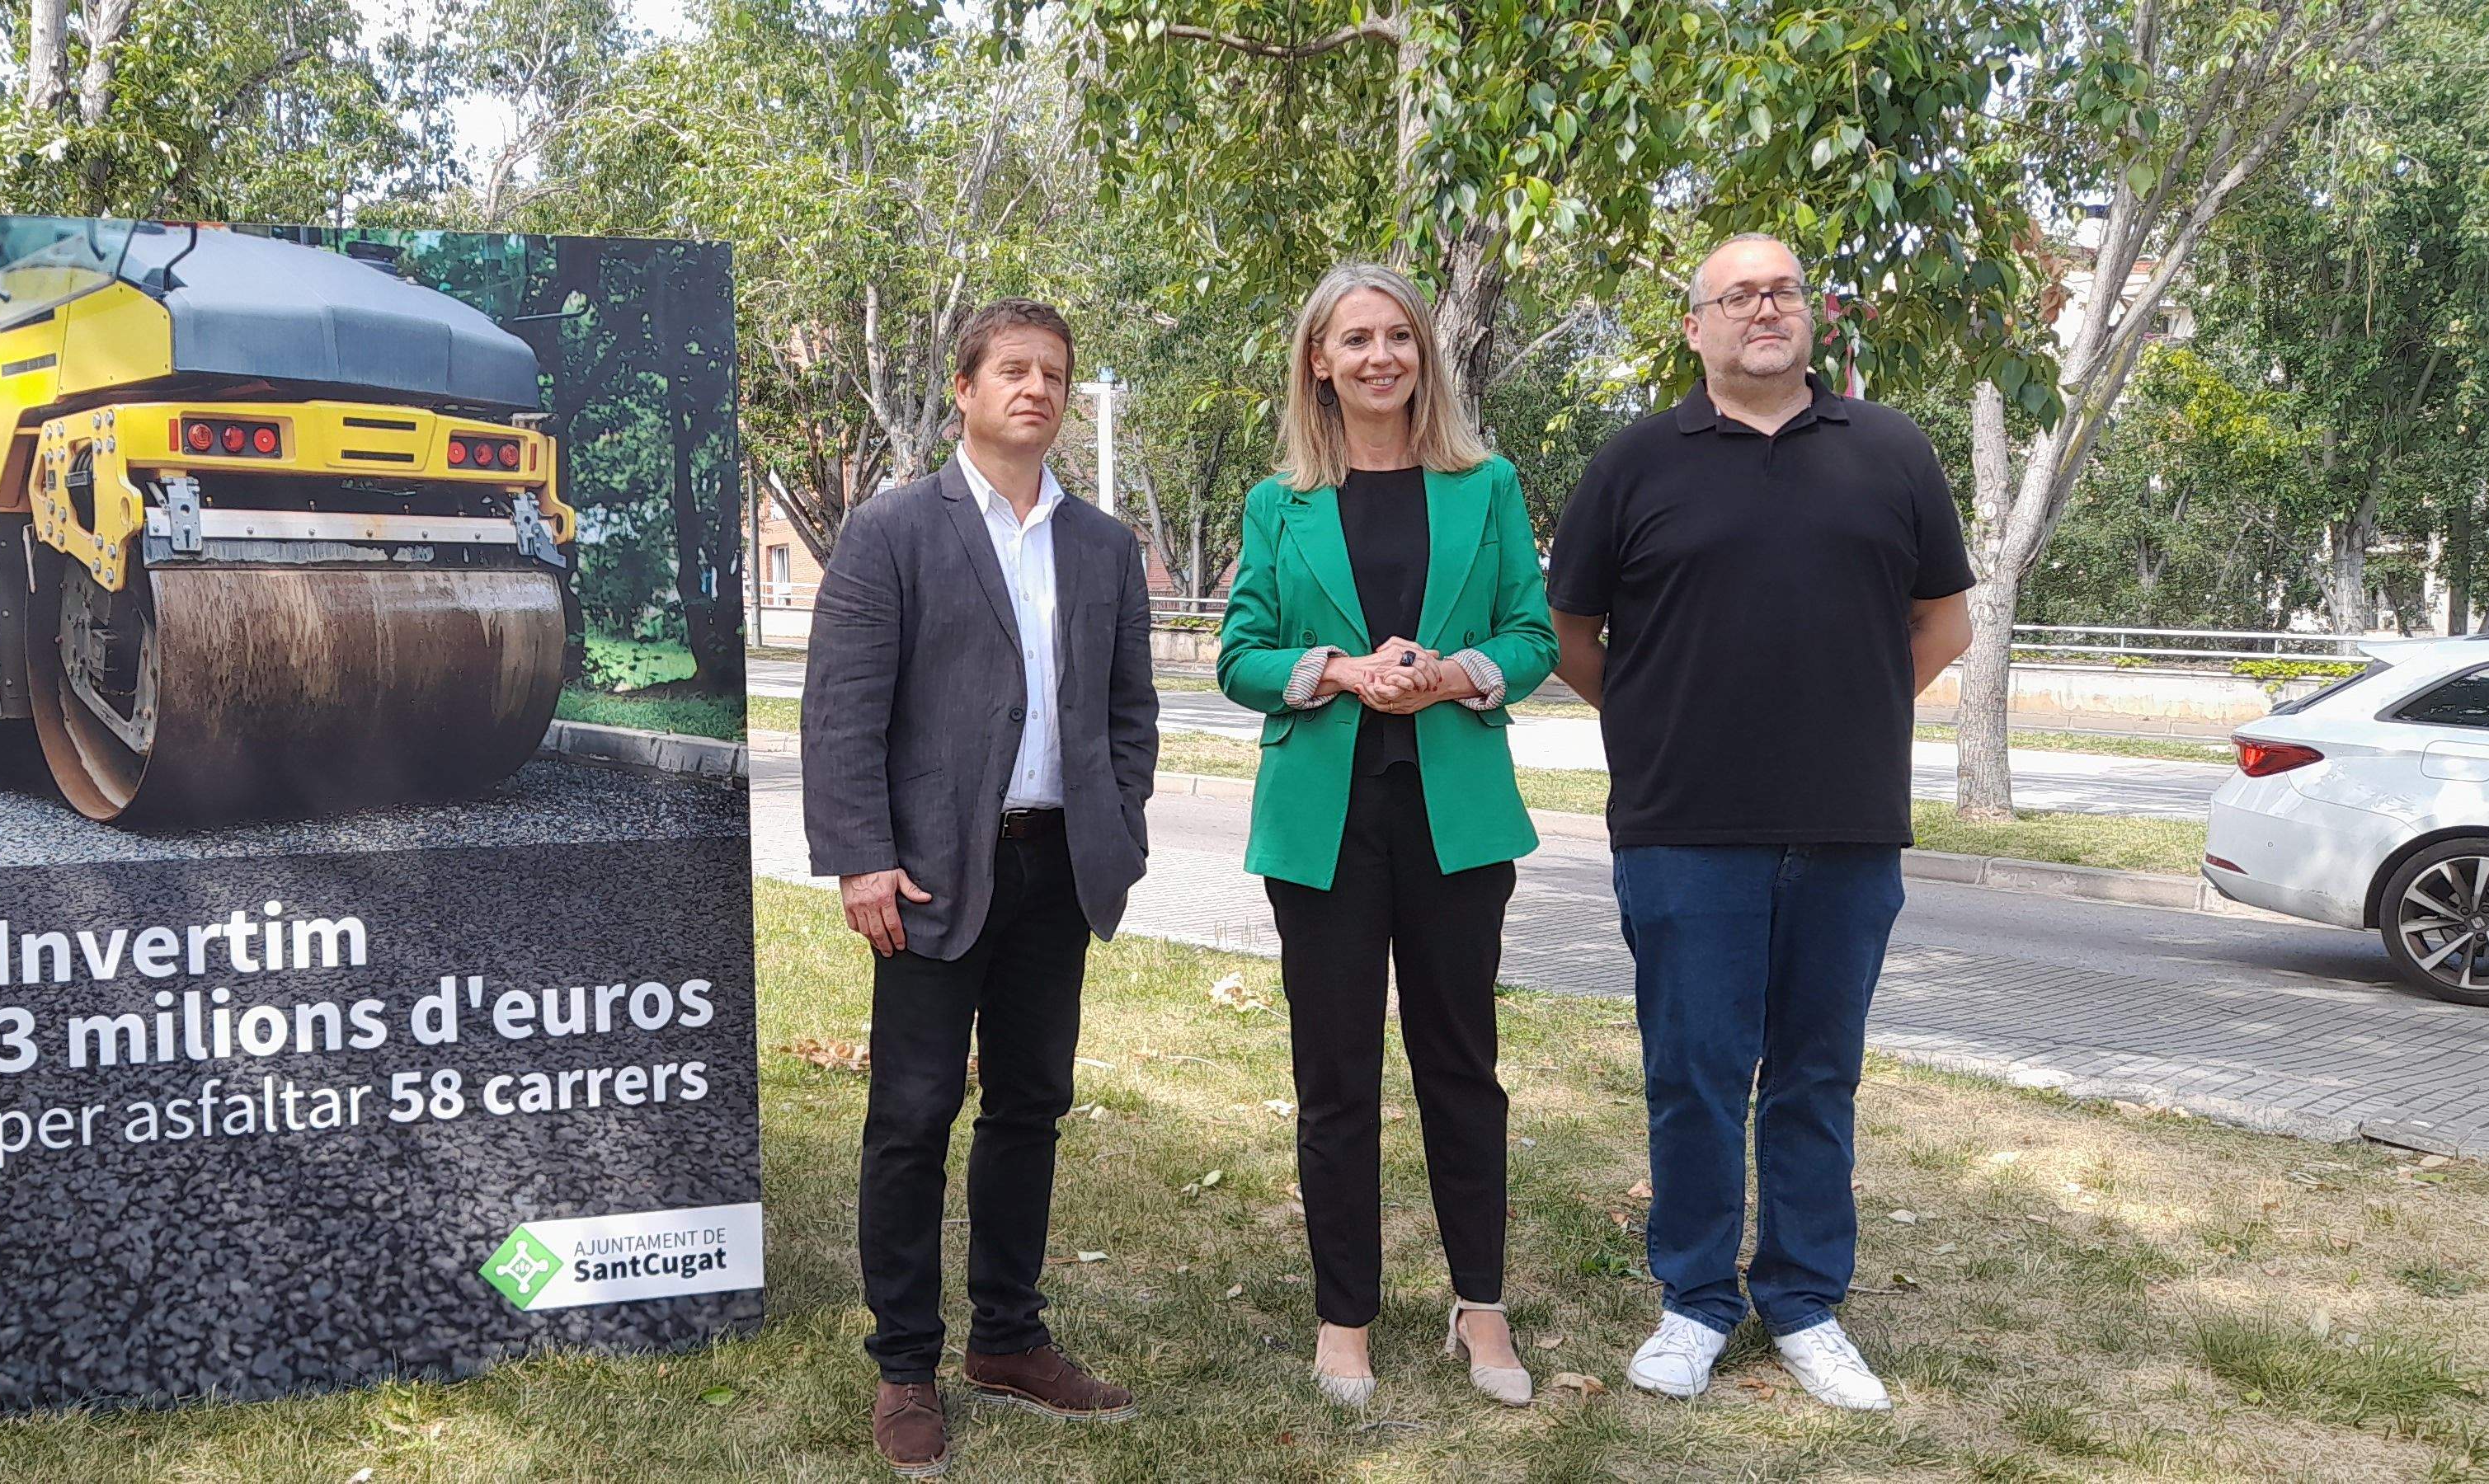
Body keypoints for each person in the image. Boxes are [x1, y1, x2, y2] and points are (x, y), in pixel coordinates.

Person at [1546, 233, 1975, 1411]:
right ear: (1696, 328)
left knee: (1816, 1077)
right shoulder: (1635, 463)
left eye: (1781, 289)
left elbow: (1944, 628)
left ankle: (1803, 1303)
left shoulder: (1889, 450)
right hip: (1683, 828)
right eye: (1735, 296)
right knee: (1692, 1074)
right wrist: (1663, 725)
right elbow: (1574, 640)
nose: (1762, 309)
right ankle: (1692, 1300)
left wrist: (1850, 710)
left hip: (1846, 829)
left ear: (1812, 313)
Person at [802, 297, 1160, 1477]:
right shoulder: (895, 529)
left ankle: (1008, 1339)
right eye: (1013, 370)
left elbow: (1128, 714)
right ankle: (906, 1365)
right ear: (964, 389)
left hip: (1057, 868)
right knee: (909, 1117)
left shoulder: (1103, 547)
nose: (1037, 390)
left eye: (1055, 374)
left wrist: (1124, 821)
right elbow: (844, 713)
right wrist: (861, 856)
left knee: (1030, 1104)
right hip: (928, 872)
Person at [1214, 263, 1557, 1409]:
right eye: (1353, 340)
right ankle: (1344, 1319)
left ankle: (1482, 1308)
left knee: (1462, 1067)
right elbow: (1240, 655)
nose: (1378, 358)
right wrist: (1342, 673)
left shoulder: (1487, 484)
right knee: (1336, 1076)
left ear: (1423, 356)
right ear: (1319, 361)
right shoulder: (1280, 505)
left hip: (1457, 819)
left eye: (1396, 338)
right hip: (1325, 825)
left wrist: (1458, 672)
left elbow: (1532, 635)